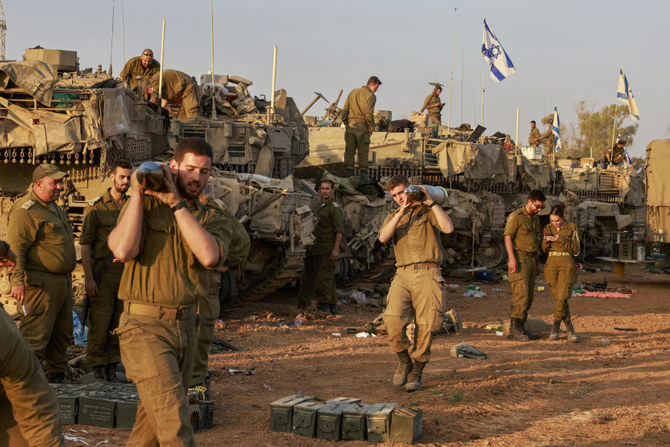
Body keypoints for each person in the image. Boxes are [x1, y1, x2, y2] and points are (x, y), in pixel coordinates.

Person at [108, 137, 231, 446]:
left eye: (204, 171)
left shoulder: (212, 216)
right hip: (143, 327)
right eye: (190, 169)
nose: (197, 177)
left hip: (186, 328)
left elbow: (209, 256)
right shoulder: (145, 206)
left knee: (149, 428)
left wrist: (176, 205)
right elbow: (122, 249)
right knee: (175, 421)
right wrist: (138, 191)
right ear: (174, 167)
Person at [378, 175, 454, 392]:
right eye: (394, 196)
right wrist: (401, 212)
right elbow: (383, 238)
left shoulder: (427, 211)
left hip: (428, 272)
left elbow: (448, 228)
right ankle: (404, 360)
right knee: (392, 320)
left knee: (428, 323)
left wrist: (430, 201)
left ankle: (417, 369)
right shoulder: (394, 215)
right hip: (402, 273)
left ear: (409, 189)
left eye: (402, 193)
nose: (399, 198)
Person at [7, 164, 76, 383]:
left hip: (61, 283)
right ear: (38, 183)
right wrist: (17, 281)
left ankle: (56, 379)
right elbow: (16, 249)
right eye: (54, 182)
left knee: (61, 335)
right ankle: (23, 386)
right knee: (35, 337)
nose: (60, 187)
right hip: (40, 286)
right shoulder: (25, 211)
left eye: (60, 182)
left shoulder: (51, 206)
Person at [79, 160, 132, 383]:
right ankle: (98, 369)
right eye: (122, 177)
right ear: (111, 177)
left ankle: (112, 365)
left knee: (120, 323)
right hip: (104, 273)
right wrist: (89, 279)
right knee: (100, 324)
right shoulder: (97, 207)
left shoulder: (132, 206)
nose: (126, 182)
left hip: (127, 274)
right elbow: (86, 245)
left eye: (129, 178)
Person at [192, 188, 250, 387]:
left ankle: (195, 393)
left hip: (202, 281)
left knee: (197, 339)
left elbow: (242, 242)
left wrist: (223, 263)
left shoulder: (211, 208)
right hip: (188, 283)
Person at [504, 189, 546, 341]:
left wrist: (537, 262)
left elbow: (534, 241)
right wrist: (511, 258)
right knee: (520, 296)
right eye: (537, 206)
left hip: (530, 259)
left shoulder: (535, 219)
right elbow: (508, 237)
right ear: (529, 201)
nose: (539, 209)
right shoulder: (516, 217)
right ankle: (514, 330)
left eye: (541, 207)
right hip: (519, 258)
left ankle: (521, 327)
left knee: (529, 297)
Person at [297, 179, 344, 314]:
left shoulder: (334, 209)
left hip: (327, 248)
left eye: (327, 189)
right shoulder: (318, 206)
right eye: (322, 188)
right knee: (310, 275)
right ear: (319, 191)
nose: (324, 191)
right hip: (315, 247)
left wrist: (335, 249)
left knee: (324, 277)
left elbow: (339, 231)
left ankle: (325, 305)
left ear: (333, 191)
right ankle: (330, 304)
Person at [542, 204, 580, 343]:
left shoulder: (572, 227)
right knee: (559, 298)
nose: (554, 223)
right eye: (552, 220)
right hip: (551, 264)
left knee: (562, 296)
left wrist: (560, 239)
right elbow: (543, 249)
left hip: (566, 263)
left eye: (557, 220)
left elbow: (576, 249)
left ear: (563, 218)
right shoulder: (547, 228)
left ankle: (556, 327)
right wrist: (546, 241)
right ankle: (570, 328)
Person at [340, 76, 382, 178]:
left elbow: (345, 110)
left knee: (349, 151)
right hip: (362, 127)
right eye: (376, 87)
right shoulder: (371, 96)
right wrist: (371, 125)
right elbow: (368, 112)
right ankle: (362, 175)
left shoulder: (352, 92)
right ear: (370, 84)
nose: (377, 90)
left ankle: (349, 174)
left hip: (350, 126)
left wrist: (346, 122)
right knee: (363, 151)